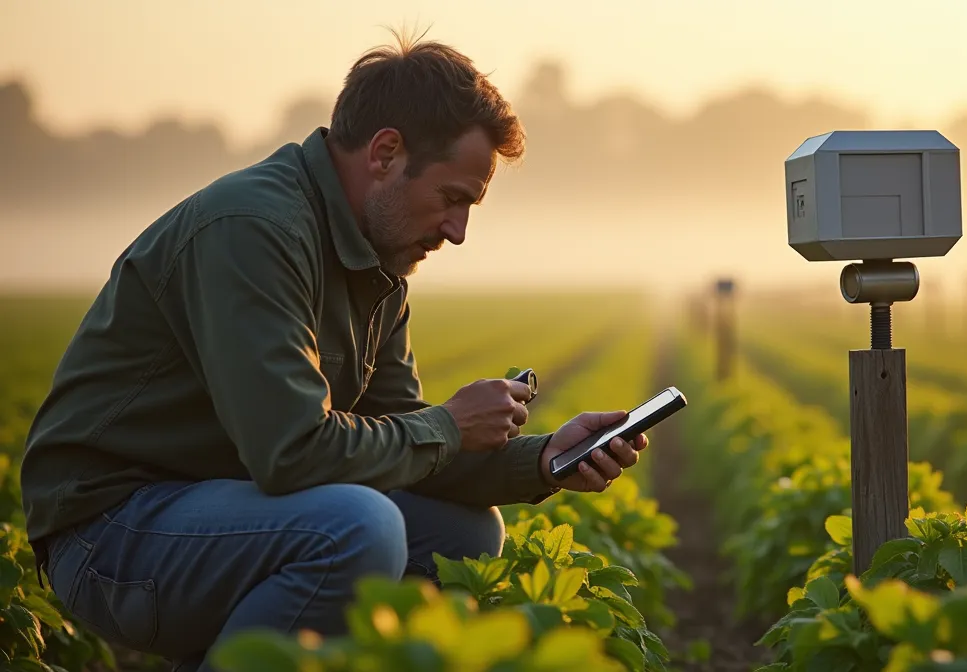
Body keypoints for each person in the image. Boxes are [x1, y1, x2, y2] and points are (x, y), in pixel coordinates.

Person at [19, 32, 646, 672]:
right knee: (355, 525)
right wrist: (449, 424)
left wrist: (543, 459)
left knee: (465, 536)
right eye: (453, 198)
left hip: (220, 507)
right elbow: (291, 454)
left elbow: (413, 453)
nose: (458, 232)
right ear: (385, 152)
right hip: (109, 531)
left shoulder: (375, 263)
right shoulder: (253, 229)